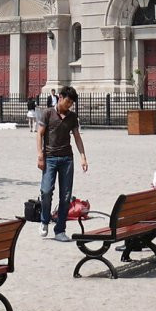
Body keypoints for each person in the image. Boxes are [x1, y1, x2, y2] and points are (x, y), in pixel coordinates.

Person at [36, 86, 88, 242]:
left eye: (71, 103)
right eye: (67, 101)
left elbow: (77, 137)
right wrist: (40, 155)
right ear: (60, 97)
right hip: (50, 158)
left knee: (65, 196)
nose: (69, 105)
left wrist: (83, 157)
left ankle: (60, 230)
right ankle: (44, 220)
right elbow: (39, 134)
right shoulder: (47, 113)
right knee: (46, 191)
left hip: (67, 159)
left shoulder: (72, 117)